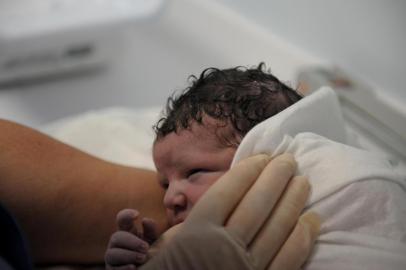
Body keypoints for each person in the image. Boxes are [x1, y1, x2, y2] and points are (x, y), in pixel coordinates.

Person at [105, 63, 309, 268]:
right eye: (165, 184)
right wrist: (147, 258)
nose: (168, 199)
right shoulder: (173, 246)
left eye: (195, 172)